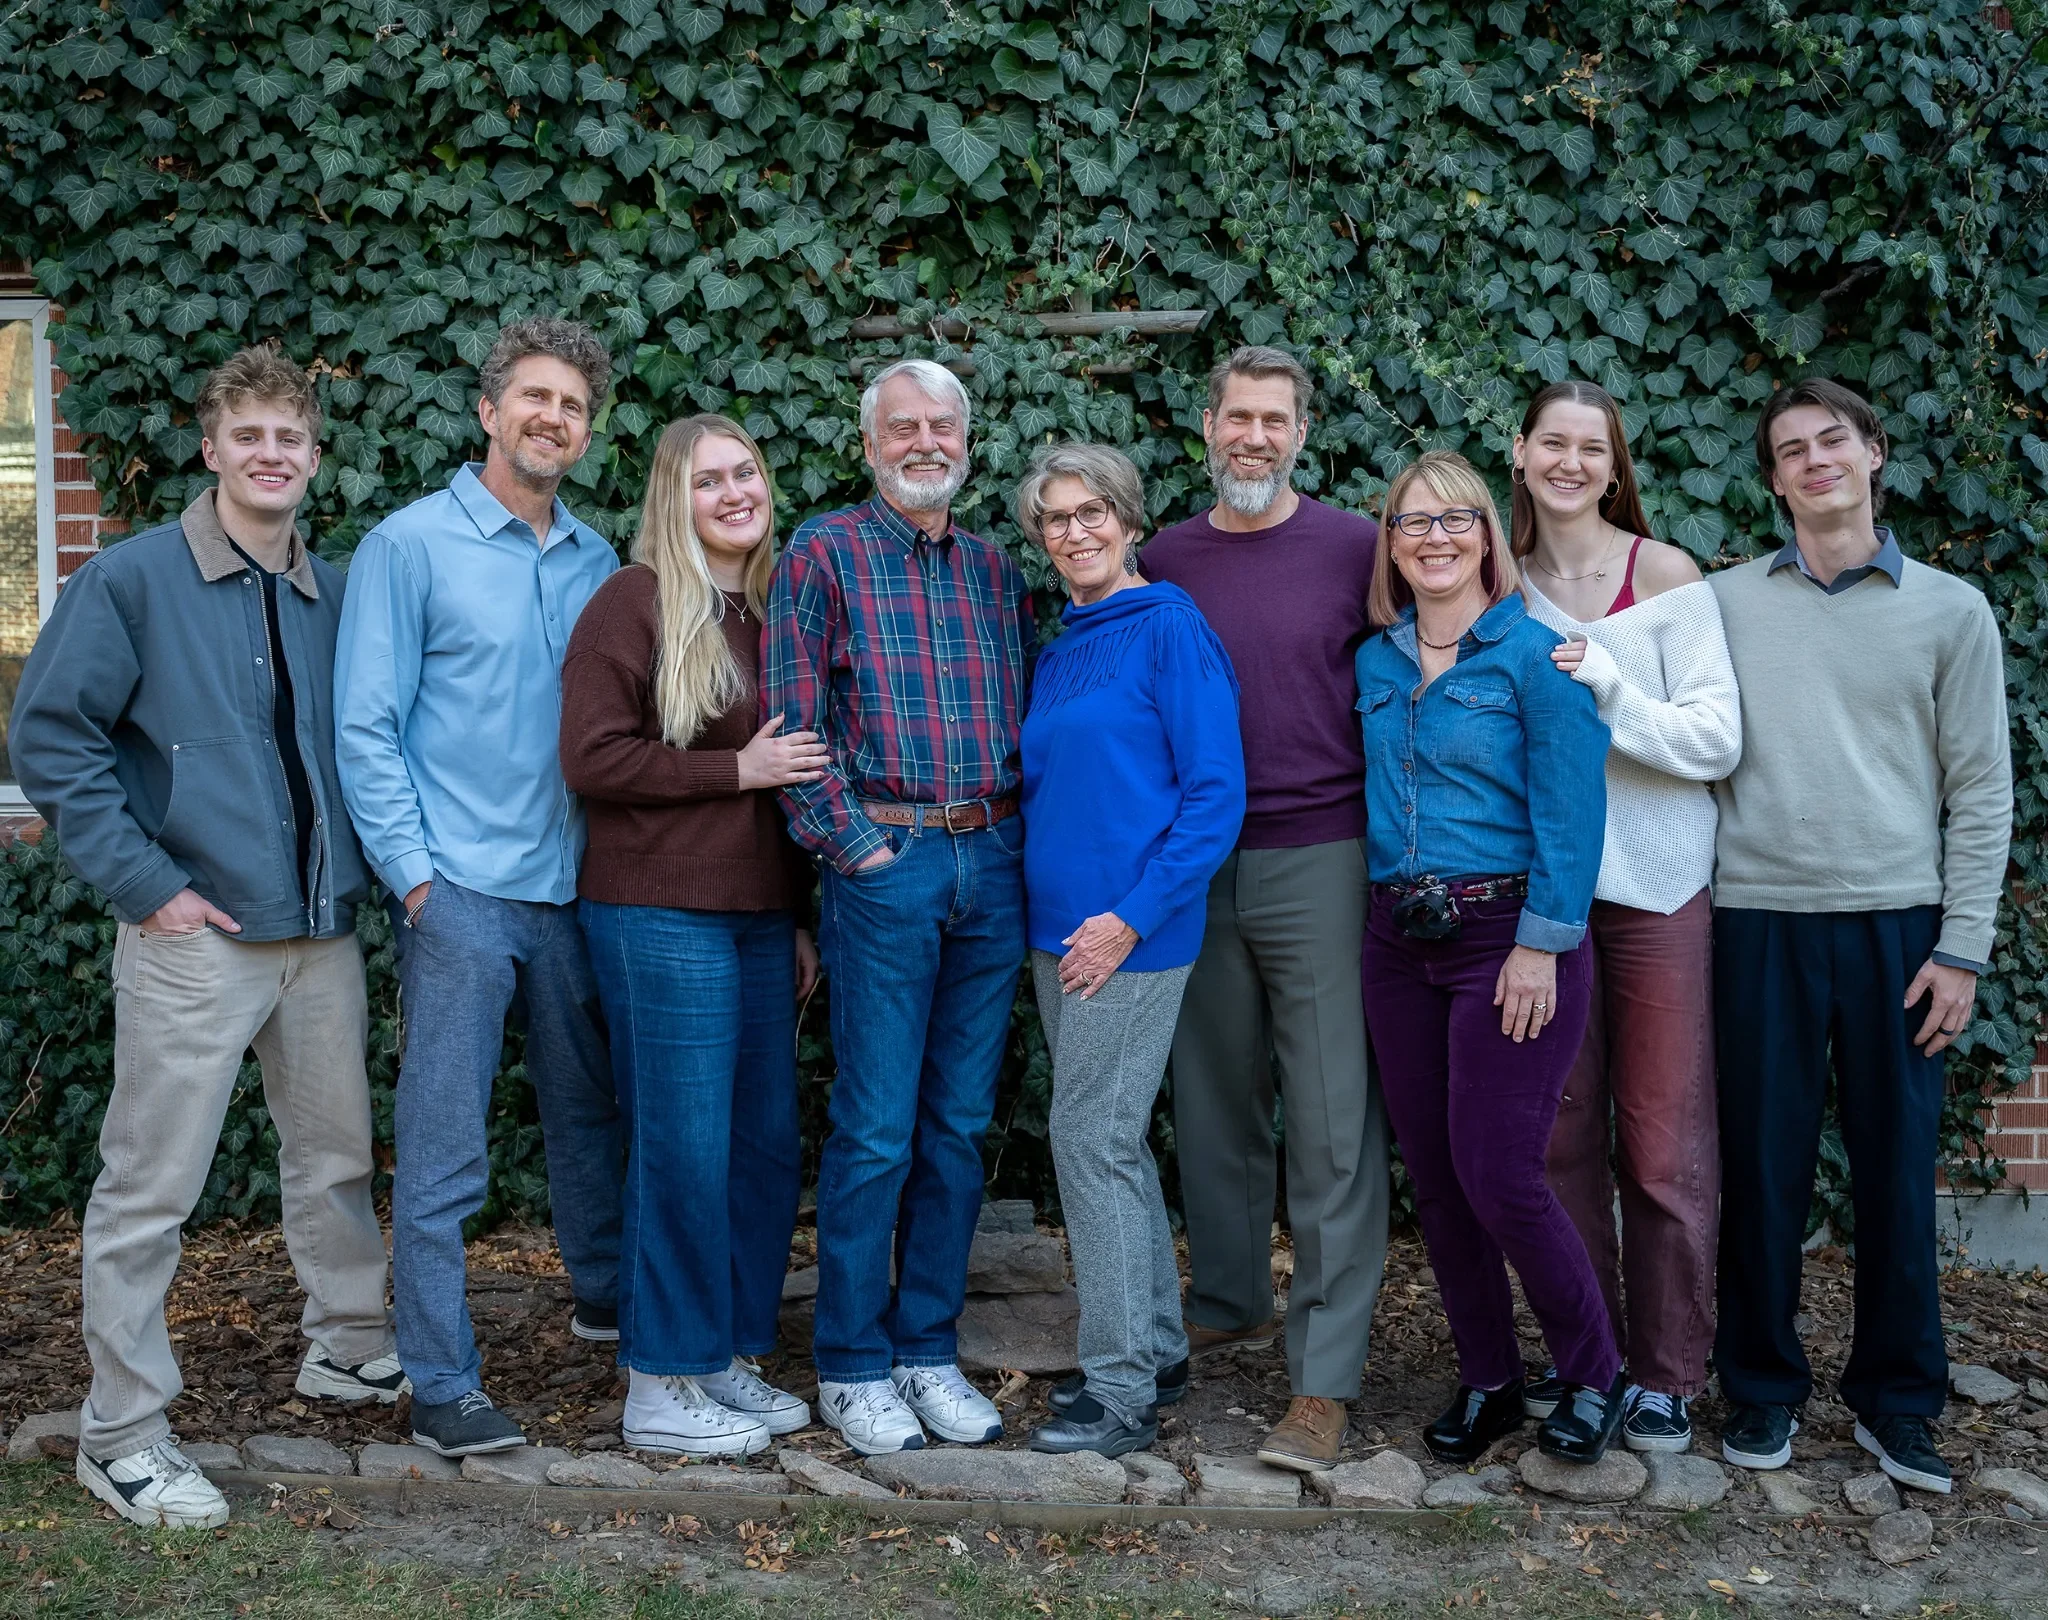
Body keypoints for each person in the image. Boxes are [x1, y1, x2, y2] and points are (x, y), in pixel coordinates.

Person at [11, 347, 395, 1528]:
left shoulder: (329, 592)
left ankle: (346, 1344)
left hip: (317, 932)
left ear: (313, 456)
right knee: (150, 1187)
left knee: (333, 1161)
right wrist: (149, 886)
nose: (272, 455)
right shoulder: (131, 582)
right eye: (251, 436)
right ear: (211, 448)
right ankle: (120, 1430)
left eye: (292, 437)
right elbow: (52, 740)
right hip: (195, 935)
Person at [1710, 378, 2012, 1493]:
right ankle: (1758, 1389)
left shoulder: (1951, 611)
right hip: (1754, 923)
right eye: (1788, 450)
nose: (1811, 460)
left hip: (1901, 932)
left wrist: (1963, 946)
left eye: (1830, 439)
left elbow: (1980, 789)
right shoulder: (1722, 602)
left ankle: (1896, 1404)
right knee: (1761, 1170)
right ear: (1773, 478)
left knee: (1894, 1175)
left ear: (1872, 452)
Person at [335, 317, 625, 1458]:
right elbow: (365, 729)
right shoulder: (409, 547)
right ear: (488, 410)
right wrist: (416, 885)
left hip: (571, 892)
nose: (553, 418)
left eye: (573, 406)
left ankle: (607, 1305)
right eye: (535, 398)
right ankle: (442, 1383)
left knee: (588, 1121)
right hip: (456, 894)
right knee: (446, 1146)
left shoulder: (600, 560)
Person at [760, 358, 1036, 1455]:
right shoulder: (823, 552)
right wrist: (855, 849)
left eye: (942, 426)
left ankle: (926, 1350)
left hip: (992, 858)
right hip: (889, 863)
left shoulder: (991, 567)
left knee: (959, 1127)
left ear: (965, 442)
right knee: (875, 1128)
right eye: (903, 427)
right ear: (869, 444)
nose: (925, 442)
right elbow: (793, 719)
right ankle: (850, 1361)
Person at [1142, 345, 1391, 1472]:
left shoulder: (1354, 547)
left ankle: (1324, 1380)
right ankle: (1232, 1292)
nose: (1252, 436)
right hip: (1195, 861)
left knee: (1332, 1124)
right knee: (1209, 1096)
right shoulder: (1162, 557)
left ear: (1301, 434)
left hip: (1320, 853)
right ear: (1205, 427)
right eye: (1234, 416)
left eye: (1273, 420)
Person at [1355, 450, 1628, 1467]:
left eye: (1454, 519)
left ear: (1485, 536)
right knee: (1433, 1176)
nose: (1432, 537)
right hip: (1395, 941)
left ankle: (1594, 1371)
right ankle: (1489, 1379)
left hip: (1506, 940)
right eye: (1411, 521)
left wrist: (1538, 947)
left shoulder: (1536, 656)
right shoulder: (1374, 663)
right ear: (1390, 542)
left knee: (1499, 1170)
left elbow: (1572, 812)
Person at [559, 415, 823, 1458]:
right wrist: (734, 770)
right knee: (680, 1146)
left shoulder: (772, 607)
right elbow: (590, 759)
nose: (732, 493)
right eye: (707, 480)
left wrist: (796, 917)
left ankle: (719, 1354)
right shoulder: (634, 603)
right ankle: (657, 1383)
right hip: (655, 912)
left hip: (759, 919)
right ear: (674, 500)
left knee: (761, 1145)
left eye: (746, 472)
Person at [1512, 379, 1742, 1455]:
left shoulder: (1666, 578)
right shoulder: (1495, 586)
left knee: (1660, 1141)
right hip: (1539, 901)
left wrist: (1609, 687)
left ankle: (1665, 1372)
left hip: (1655, 888)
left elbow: (1713, 744)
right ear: (1517, 455)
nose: (1568, 462)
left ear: (1614, 467)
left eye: (1588, 448)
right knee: (1555, 1139)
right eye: (1550, 442)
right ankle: (1585, 1362)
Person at [1010, 443, 1245, 1459]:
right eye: (1054, 519)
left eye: (1091, 511)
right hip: (1052, 933)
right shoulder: (1061, 641)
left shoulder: (1170, 626)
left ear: (1129, 519)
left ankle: (1117, 1393)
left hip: (1130, 936)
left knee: (1089, 1142)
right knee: (1109, 1140)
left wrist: (1129, 918)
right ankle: (1153, 1347)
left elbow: (1213, 796)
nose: (1074, 531)